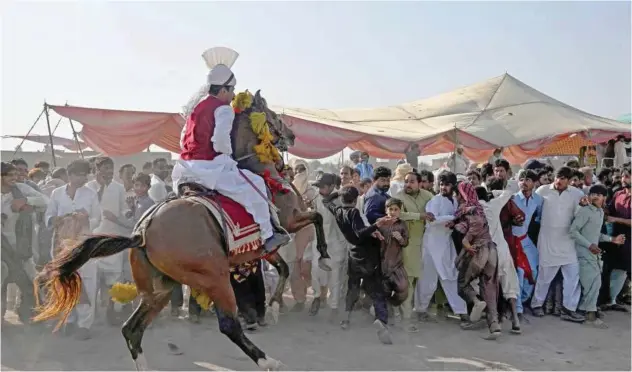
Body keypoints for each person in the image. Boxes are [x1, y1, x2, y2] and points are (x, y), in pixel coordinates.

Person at [171, 46, 288, 253]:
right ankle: (269, 235)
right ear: (223, 90)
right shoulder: (223, 109)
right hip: (211, 169)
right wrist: (227, 157)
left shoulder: (194, 109)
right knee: (258, 186)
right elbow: (220, 144)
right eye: (232, 90)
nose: (233, 95)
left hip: (185, 168)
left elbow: (182, 142)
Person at [322, 185, 396, 344]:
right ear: (356, 200)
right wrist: (378, 225)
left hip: (353, 254)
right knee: (376, 289)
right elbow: (360, 233)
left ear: (342, 199)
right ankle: (381, 322)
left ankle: (346, 319)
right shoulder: (354, 212)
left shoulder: (338, 211)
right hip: (367, 255)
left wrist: (338, 192)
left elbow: (326, 201)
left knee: (353, 287)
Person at [45, 159, 101, 339]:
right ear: (69, 175)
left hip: (83, 244)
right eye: (79, 174)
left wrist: (85, 219)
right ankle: (68, 320)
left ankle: (84, 324)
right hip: (62, 244)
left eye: (85, 174)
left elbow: (97, 219)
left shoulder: (90, 194)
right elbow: (49, 215)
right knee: (65, 281)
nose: (82, 177)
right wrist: (58, 220)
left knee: (86, 281)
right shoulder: (57, 193)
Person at [530, 167, 587, 323]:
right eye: (558, 177)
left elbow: (579, 215)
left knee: (572, 277)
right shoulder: (542, 191)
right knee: (544, 276)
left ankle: (568, 309)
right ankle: (537, 305)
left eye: (563, 178)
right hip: (547, 238)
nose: (559, 181)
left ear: (569, 181)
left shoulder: (577, 194)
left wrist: (582, 207)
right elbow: (534, 211)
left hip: (568, 241)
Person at [570, 184, 625, 328]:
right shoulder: (585, 211)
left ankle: (586, 310)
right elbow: (573, 231)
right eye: (592, 193)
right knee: (591, 284)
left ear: (604, 198)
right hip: (583, 253)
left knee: (595, 283)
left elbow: (595, 235)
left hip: (593, 253)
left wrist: (612, 240)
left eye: (598, 195)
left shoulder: (600, 213)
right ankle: (589, 315)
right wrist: (589, 245)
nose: (595, 196)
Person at [416, 171, 468, 323]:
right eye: (441, 184)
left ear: (453, 186)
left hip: (445, 244)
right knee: (428, 280)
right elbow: (431, 220)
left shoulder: (455, 201)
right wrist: (452, 218)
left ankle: (461, 311)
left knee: (450, 277)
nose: (443, 187)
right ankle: (421, 309)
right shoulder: (435, 201)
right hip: (432, 244)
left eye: (447, 184)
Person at [1, 162, 48, 323]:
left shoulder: (21, 189)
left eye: (16, 174)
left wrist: (26, 201)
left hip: (22, 245)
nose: (15, 178)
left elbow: (45, 201)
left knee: (29, 279)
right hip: (2, 246)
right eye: (10, 175)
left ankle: (31, 315)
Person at [453, 181, 501, 338]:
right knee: (489, 288)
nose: (456, 196)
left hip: (478, 250)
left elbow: (475, 225)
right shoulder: (478, 208)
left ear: (462, 194)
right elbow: (464, 224)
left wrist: (466, 241)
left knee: (462, 284)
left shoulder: (469, 209)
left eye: (457, 193)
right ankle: (494, 326)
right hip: (491, 250)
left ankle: (476, 301)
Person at [85, 156, 130, 323]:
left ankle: (111, 311)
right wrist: (101, 189)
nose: (109, 171)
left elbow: (123, 208)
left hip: (113, 235)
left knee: (115, 276)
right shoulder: (88, 187)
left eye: (111, 168)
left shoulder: (118, 188)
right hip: (93, 237)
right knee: (93, 277)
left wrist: (127, 213)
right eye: (105, 168)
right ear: (97, 170)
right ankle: (91, 313)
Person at [394, 171, 434, 332]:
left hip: (426, 244)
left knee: (420, 281)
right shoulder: (399, 197)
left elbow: (434, 212)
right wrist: (419, 216)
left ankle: (412, 312)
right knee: (407, 282)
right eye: (406, 181)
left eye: (411, 182)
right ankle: (405, 319)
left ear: (419, 183)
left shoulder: (428, 196)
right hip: (407, 244)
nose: (408, 185)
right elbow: (398, 214)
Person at [482, 177, 522, 333]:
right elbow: (509, 192)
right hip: (502, 250)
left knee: (489, 286)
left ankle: (494, 321)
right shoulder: (493, 205)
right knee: (509, 284)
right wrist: (495, 192)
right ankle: (515, 320)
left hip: (486, 252)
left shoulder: (473, 209)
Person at [308, 173, 348, 319]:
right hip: (319, 243)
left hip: (336, 244)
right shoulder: (316, 198)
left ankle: (334, 307)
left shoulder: (341, 199)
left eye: (323, 186)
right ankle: (317, 297)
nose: (320, 189)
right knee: (316, 272)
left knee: (335, 277)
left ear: (332, 186)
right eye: (318, 186)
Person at [511, 170, 543, 318]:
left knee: (534, 270)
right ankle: (517, 309)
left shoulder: (538, 200)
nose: (524, 182)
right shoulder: (511, 199)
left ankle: (523, 300)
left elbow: (540, 218)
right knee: (519, 272)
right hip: (512, 241)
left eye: (528, 179)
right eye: (521, 179)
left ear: (535, 183)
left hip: (525, 239)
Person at [600, 166, 631, 311]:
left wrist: (614, 219)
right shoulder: (618, 194)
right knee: (617, 269)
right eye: (624, 176)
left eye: (628, 176)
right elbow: (609, 211)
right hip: (617, 239)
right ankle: (612, 300)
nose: (624, 179)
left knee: (625, 269)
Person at [378, 198, 409, 311]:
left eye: (396, 209)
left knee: (403, 288)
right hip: (382, 263)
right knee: (383, 289)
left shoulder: (402, 224)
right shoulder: (380, 222)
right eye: (390, 209)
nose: (393, 212)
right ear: (386, 210)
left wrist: (400, 238)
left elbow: (405, 242)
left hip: (397, 263)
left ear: (400, 211)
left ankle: (392, 304)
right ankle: (383, 314)